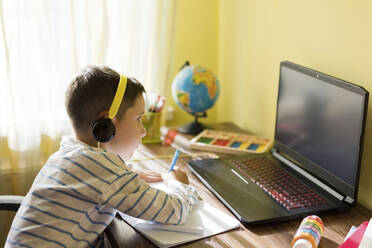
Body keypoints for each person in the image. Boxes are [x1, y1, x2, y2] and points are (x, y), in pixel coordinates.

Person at [6, 65, 200, 248]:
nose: (143, 131)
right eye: (139, 119)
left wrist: (127, 173)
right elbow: (172, 210)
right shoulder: (101, 169)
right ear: (106, 122)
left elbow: (96, 180)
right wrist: (179, 184)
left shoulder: (69, 154)